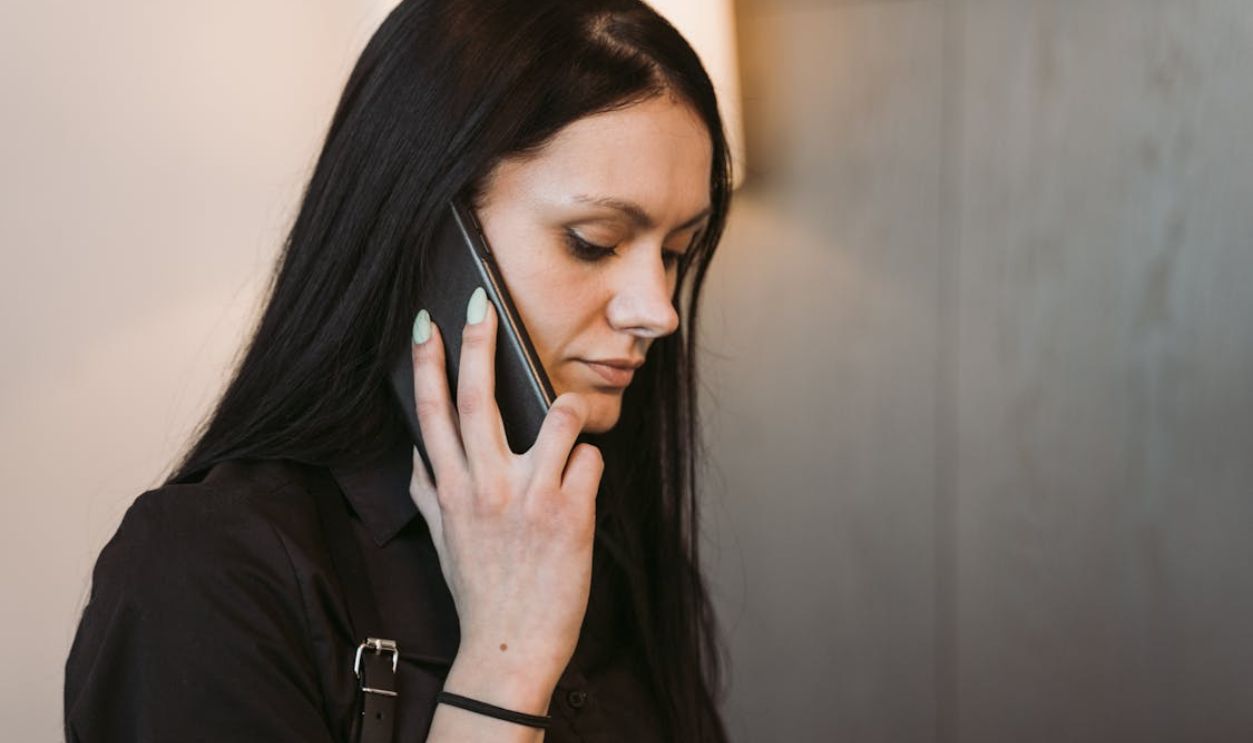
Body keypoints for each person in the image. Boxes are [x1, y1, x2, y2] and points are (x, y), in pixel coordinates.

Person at [64, 0, 733, 740]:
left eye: (675, 252)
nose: (658, 310)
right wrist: (505, 664)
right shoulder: (204, 569)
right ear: (431, 236)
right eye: (592, 241)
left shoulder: (597, 532)